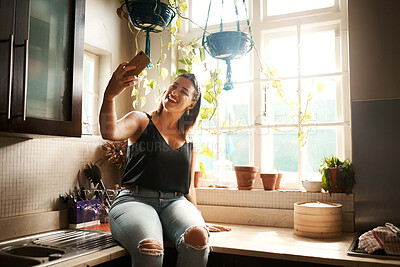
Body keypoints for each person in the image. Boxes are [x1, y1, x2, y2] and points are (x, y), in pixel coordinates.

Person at [99, 61, 230, 267]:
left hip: (176, 204)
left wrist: (198, 218)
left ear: (191, 104)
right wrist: (110, 96)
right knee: (150, 247)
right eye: (174, 85)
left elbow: (188, 188)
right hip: (135, 200)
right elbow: (110, 131)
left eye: (183, 91)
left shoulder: (190, 143)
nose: (174, 91)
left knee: (198, 237)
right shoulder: (141, 120)